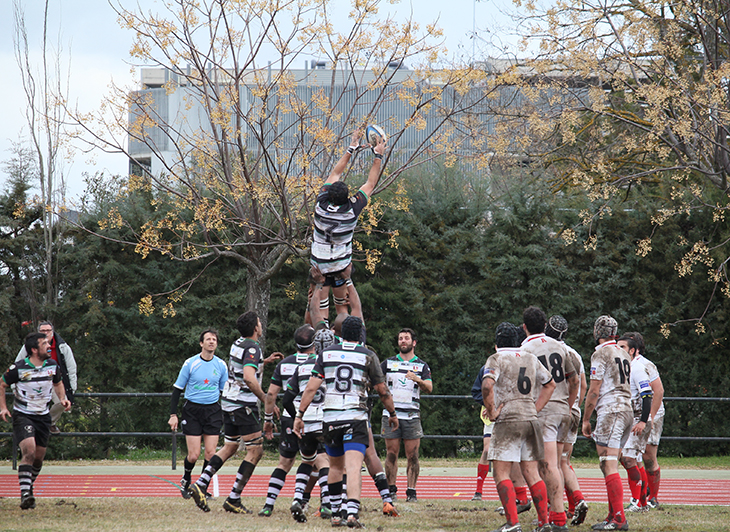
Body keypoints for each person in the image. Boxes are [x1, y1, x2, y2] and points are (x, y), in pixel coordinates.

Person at [293, 316, 399, 529]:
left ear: (339, 334)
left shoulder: (325, 354)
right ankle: (351, 513)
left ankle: (334, 514)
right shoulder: (368, 355)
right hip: (355, 416)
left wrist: (299, 415)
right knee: (353, 466)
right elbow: (382, 390)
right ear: (360, 334)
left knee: (334, 466)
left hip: (331, 418)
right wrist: (392, 413)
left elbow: (311, 388)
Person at [188, 310, 282, 513]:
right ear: (256, 328)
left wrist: (263, 362)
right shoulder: (253, 347)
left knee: (230, 447)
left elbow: (241, 366)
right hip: (243, 405)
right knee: (255, 450)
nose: (261, 325)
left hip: (229, 402)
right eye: (259, 322)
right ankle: (234, 498)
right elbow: (248, 377)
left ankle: (201, 483)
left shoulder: (238, 343)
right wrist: (265, 397)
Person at [483, 322, 556, 532]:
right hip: (530, 418)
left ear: (497, 340)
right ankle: (544, 522)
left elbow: (487, 385)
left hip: (508, 419)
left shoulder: (496, 358)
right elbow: (550, 383)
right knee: (532, 472)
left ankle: (512, 523)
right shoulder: (530, 358)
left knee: (501, 473)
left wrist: (493, 411)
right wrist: (536, 408)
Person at [520, 307, 579, 532]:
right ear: (545, 325)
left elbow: (524, 386)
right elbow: (574, 380)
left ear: (524, 327)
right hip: (563, 409)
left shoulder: (526, 349)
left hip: (544, 410)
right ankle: (555, 513)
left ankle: (556, 517)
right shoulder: (559, 347)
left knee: (547, 466)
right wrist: (569, 403)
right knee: (555, 464)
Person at [310, 129, 386, 299]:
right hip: (341, 265)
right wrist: (378, 156)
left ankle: (318, 324)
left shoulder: (320, 204)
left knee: (317, 308)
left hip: (318, 265)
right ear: (347, 197)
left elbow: (335, 173)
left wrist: (351, 147)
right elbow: (371, 183)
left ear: (328, 194)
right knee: (342, 307)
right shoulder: (351, 210)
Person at [1, 332, 72, 509]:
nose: (49, 346)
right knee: (29, 452)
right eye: (44, 344)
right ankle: (25, 495)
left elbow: (58, 383)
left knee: (38, 459)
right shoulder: (18, 368)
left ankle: (28, 486)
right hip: (23, 415)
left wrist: (62, 398)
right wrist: (3, 407)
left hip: (43, 416)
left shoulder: (52, 365)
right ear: (34, 349)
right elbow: (1, 384)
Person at [258, 325, 319, 517]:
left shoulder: (284, 364)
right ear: (314, 343)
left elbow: (271, 394)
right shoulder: (319, 363)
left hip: (288, 417)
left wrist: (268, 419)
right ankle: (300, 499)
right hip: (312, 417)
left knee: (284, 463)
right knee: (311, 461)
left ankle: (268, 505)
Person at [582, 315, 633, 531]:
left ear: (597, 331)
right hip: (626, 409)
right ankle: (613, 514)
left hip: (611, 411)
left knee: (609, 463)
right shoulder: (623, 353)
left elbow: (594, 390)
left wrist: (586, 419)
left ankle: (619, 518)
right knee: (606, 462)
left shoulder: (600, 353)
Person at [281, 325, 331, 522]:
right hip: (326, 419)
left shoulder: (302, 367)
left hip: (307, 420)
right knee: (328, 461)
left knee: (308, 461)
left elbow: (286, 399)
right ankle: (326, 502)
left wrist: (297, 417)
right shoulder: (332, 364)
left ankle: (297, 498)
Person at [169, 329, 228, 499]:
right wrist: (173, 414)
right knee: (194, 455)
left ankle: (201, 487)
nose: (211, 342)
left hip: (213, 411)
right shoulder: (190, 363)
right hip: (193, 411)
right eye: (208, 339)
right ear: (201, 343)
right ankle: (186, 480)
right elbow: (177, 390)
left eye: (214, 339)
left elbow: (225, 392)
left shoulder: (221, 365)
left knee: (210, 454)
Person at [381, 328, 433, 503]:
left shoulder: (422, 365)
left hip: (412, 415)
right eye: (400, 338)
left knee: (413, 455)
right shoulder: (387, 363)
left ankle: (411, 492)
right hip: (390, 415)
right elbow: (377, 382)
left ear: (414, 342)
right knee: (391, 454)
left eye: (406, 338)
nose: (403, 341)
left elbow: (429, 387)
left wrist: (417, 379)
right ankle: (391, 490)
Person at [623, 331, 664, 510]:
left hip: (650, 412)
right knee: (634, 456)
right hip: (636, 413)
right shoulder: (625, 364)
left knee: (648, 457)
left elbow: (658, 391)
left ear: (634, 349)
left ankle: (652, 498)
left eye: (623, 345)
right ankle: (641, 498)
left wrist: (650, 417)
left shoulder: (644, 365)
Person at [15, 321, 77, 434]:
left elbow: (71, 368)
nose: (46, 333)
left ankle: (48, 423)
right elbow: (17, 364)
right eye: (43, 331)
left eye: (48, 330)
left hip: (55, 382)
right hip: (32, 382)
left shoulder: (62, 347)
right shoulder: (29, 346)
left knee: (62, 402)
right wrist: (16, 385)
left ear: (52, 332)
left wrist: (72, 387)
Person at [616, 335, 654, 513]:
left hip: (639, 420)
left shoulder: (637, 368)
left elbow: (647, 395)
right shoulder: (623, 367)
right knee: (633, 460)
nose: (619, 349)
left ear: (632, 350)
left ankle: (637, 502)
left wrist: (643, 421)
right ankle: (643, 502)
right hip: (628, 419)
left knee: (629, 459)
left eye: (622, 346)